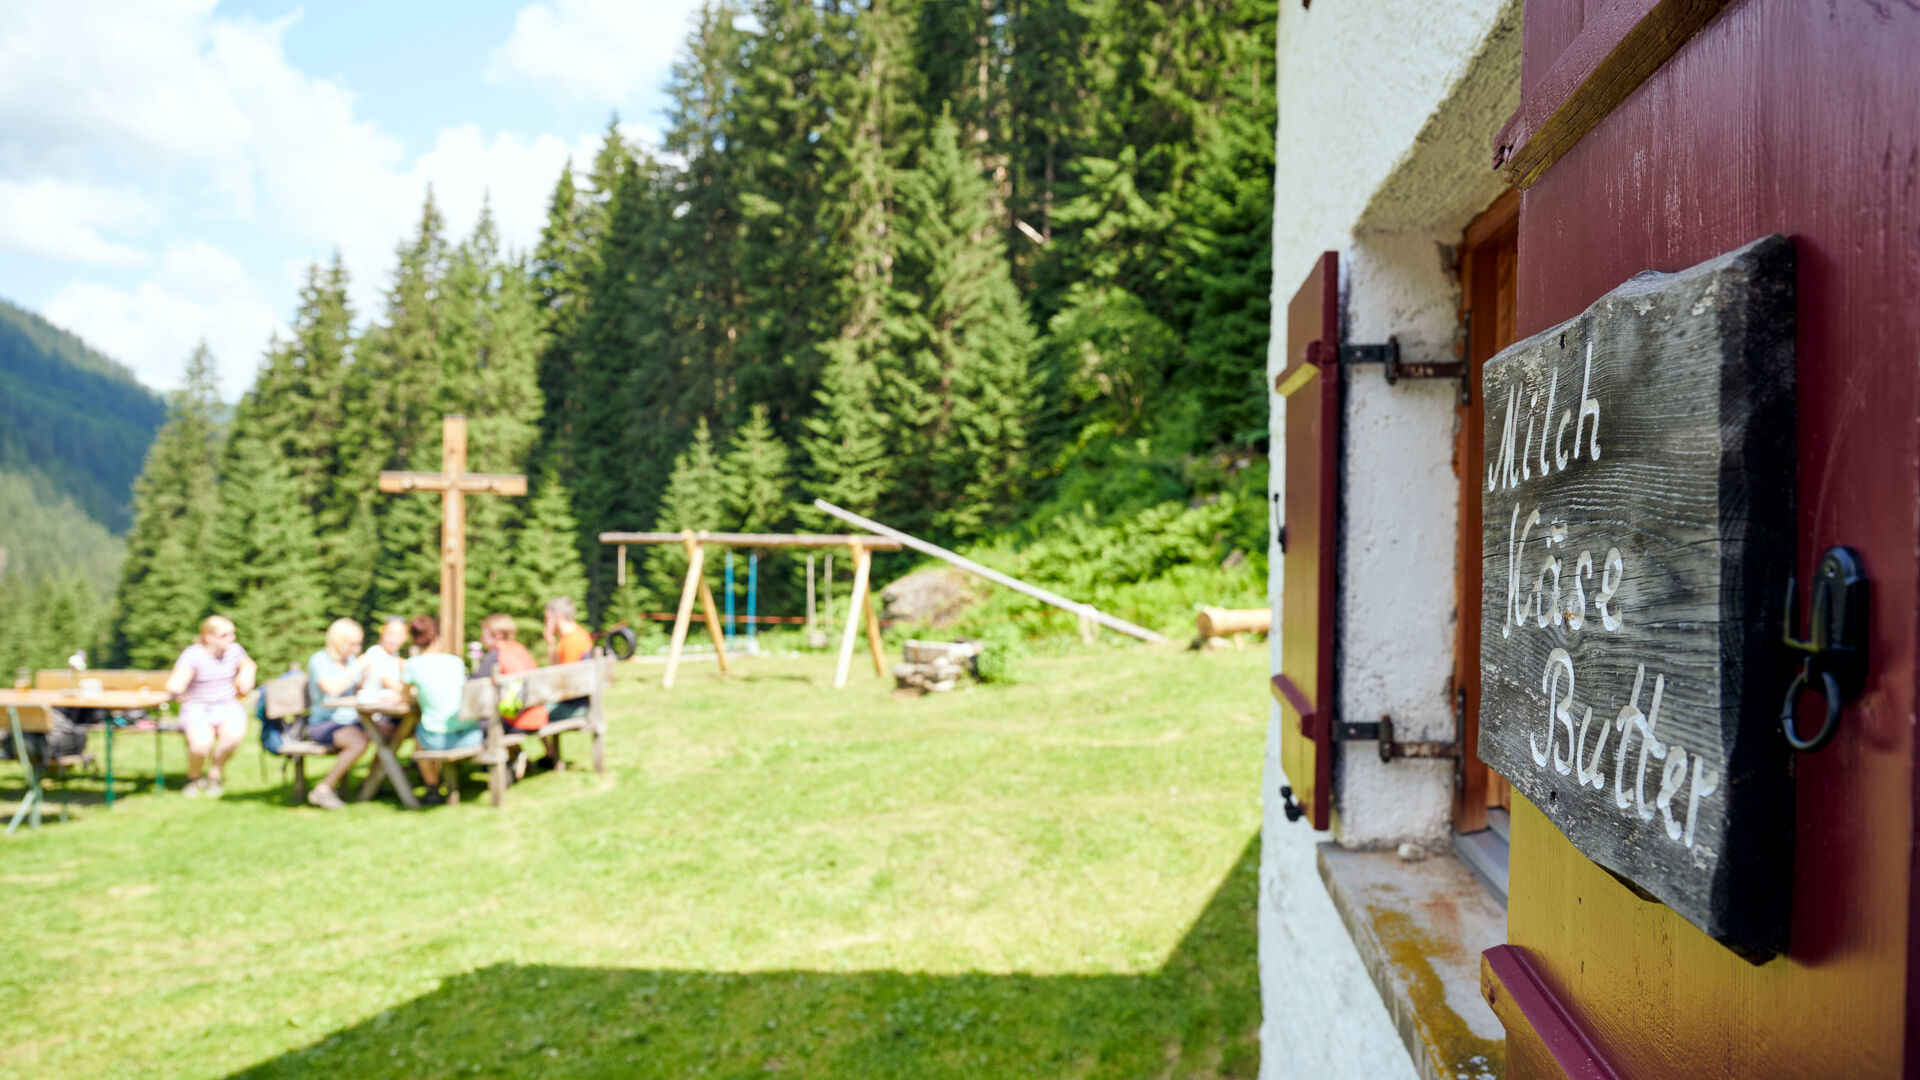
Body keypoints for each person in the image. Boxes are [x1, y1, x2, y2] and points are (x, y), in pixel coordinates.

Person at [165, 615, 257, 798]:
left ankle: (214, 774)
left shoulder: (234, 651)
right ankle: (194, 778)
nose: (232, 638)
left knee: (232, 738)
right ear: (209, 637)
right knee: (200, 745)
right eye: (225, 635)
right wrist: (178, 688)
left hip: (227, 704)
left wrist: (246, 676)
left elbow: (248, 664)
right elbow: (175, 683)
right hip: (198, 706)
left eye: (232, 634)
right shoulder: (193, 654)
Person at [402, 614, 476, 804]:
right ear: (437, 637)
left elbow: (403, 698)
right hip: (471, 734)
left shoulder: (413, 665)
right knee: (429, 727)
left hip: (441, 740)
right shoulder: (456, 662)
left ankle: (432, 787)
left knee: (419, 734)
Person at [302, 618, 370, 810]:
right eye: (352, 644)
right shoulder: (320, 660)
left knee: (387, 731)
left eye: (359, 643)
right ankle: (323, 789)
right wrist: (357, 667)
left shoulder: (349, 660)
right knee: (358, 741)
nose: (357, 649)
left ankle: (372, 784)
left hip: (351, 719)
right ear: (338, 641)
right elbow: (332, 689)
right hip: (324, 723)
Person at [477, 613, 550, 777]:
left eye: (484, 634)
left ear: (497, 635)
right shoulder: (519, 649)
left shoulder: (497, 655)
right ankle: (518, 756)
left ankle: (510, 760)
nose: (481, 639)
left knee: (482, 724)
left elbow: (475, 684)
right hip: (537, 713)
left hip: (518, 718)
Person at [540, 596, 593, 771]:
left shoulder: (572, 642)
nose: (546, 623)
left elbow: (561, 680)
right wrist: (550, 643)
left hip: (575, 706)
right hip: (581, 702)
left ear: (559, 617)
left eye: (548, 618)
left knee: (531, 712)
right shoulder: (576, 635)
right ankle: (550, 755)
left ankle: (549, 755)